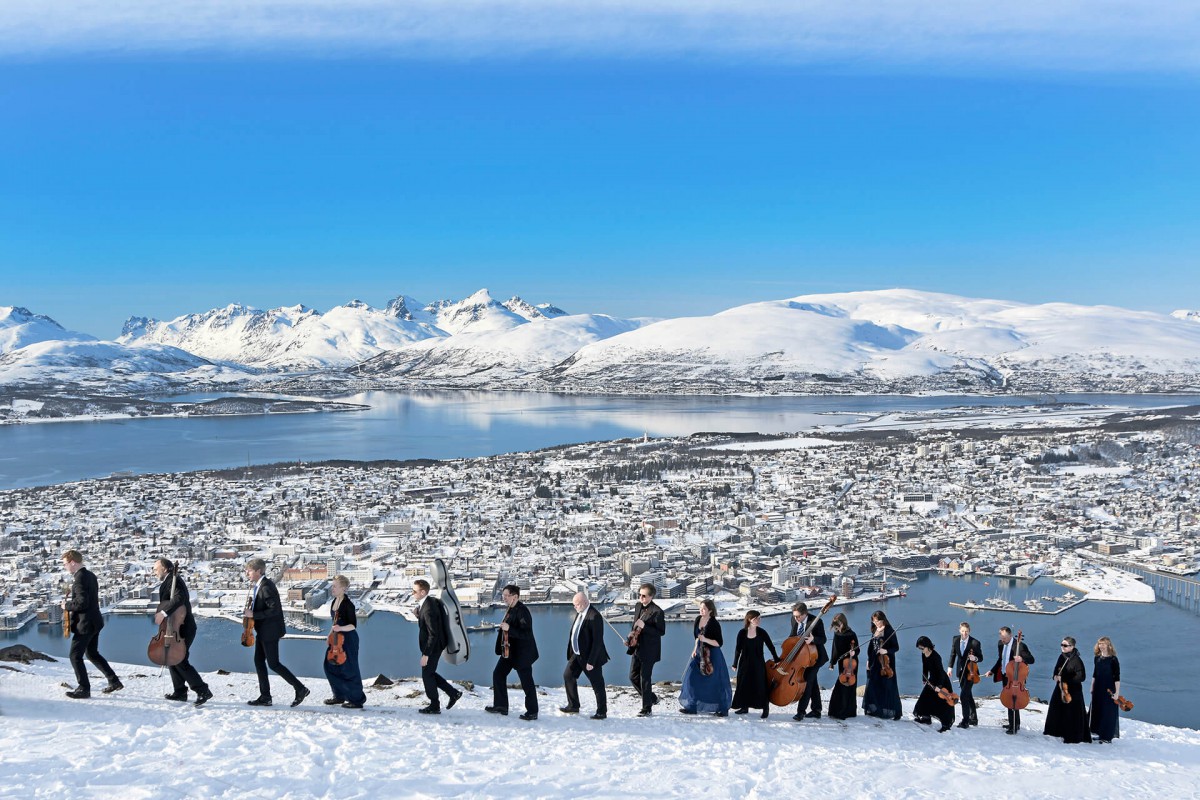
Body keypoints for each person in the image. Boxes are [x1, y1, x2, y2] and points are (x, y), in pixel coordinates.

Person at [244, 558, 309, 708]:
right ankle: (265, 696)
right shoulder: (260, 585)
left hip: (270, 631)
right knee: (259, 662)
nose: (247, 572)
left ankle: (300, 688)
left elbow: (273, 610)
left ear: (259, 571)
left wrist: (252, 614)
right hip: (264, 630)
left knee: (273, 664)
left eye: (250, 570)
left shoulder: (266, 587)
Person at [61, 550, 122, 699]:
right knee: (92, 653)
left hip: (85, 625)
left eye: (65, 564)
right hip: (95, 621)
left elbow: (82, 603)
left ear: (72, 562)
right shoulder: (90, 575)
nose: (65, 567)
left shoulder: (79, 579)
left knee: (75, 656)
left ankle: (84, 688)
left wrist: (66, 605)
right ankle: (114, 681)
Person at [153, 558, 213, 707]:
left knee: (179, 659)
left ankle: (202, 690)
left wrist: (164, 613)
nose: (154, 572)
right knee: (171, 658)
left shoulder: (175, 580)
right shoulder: (170, 580)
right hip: (174, 627)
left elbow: (180, 598)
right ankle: (180, 692)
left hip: (183, 628)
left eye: (156, 569)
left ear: (165, 569)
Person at [486, 584, 540, 721]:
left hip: (522, 654)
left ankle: (533, 712)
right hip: (509, 651)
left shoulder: (523, 611)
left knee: (527, 683)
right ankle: (501, 705)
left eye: (506, 596)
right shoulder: (511, 608)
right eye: (503, 595)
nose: (503, 598)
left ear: (515, 596)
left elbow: (526, 633)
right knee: (498, 674)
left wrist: (509, 628)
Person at [413, 578, 462, 714]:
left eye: (414, 591)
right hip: (436, 644)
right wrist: (418, 615)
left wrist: (426, 654)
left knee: (427, 675)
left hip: (433, 646)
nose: (412, 593)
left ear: (422, 592)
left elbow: (433, 634)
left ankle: (435, 705)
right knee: (430, 673)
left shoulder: (428, 608)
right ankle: (453, 693)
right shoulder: (429, 602)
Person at [679, 598, 732, 716]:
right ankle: (692, 706)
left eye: (704, 609)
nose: (701, 611)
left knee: (716, 682)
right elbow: (697, 638)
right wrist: (694, 650)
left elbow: (719, 643)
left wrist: (705, 639)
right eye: (700, 608)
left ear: (710, 611)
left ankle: (722, 709)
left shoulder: (714, 623)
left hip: (712, 655)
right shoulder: (698, 619)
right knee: (691, 678)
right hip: (699, 653)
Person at [561, 591, 609, 719]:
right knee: (568, 676)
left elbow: (597, 641)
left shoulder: (595, 616)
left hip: (590, 657)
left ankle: (601, 711)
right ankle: (573, 705)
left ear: (584, 603)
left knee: (597, 684)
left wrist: (591, 661)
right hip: (577, 655)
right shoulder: (581, 613)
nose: (574, 607)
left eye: (576, 605)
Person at [322, 575, 367, 709]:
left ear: (343, 588)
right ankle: (339, 696)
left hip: (348, 640)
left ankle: (357, 700)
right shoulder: (334, 601)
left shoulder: (348, 605)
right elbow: (334, 623)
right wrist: (329, 636)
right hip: (336, 639)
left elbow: (353, 625)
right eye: (332, 586)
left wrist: (340, 628)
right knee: (329, 666)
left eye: (335, 586)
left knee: (349, 669)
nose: (332, 588)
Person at [984, 626, 1034, 734]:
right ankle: (1014, 723)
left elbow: (1032, 659)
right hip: (1005, 677)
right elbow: (1000, 659)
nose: (1003, 640)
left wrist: (1022, 659)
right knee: (1008, 700)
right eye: (1001, 637)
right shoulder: (1000, 644)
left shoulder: (1019, 646)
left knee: (1013, 701)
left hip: (1015, 678)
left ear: (1011, 636)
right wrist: (992, 670)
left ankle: (1014, 726)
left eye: (1005, 638)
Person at [1044, 635, 1091, 743]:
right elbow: (1056, 670)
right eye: (1062, 645)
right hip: (1060, 687)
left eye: (1065, 645)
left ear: (1072, 646)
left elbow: (1081, 677)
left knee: (1071, 713)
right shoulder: (1061, 657)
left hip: (1073, 690)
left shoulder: (1077, 660)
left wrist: (1065, 678)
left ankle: (1071, 735)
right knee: (1056, 708)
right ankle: (1055, 731)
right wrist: (1055, 676)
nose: (1063, 647)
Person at [628, 583, 666, 717]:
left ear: (651, 596)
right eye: (639, 594)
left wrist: (645, 627)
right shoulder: (638, 606)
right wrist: (630, 637)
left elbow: (661, 632)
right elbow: (635, 625)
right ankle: (652, 698)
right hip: (637, 647)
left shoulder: (658, 611)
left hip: (649, 650)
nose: (641, 597)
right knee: (632, 677)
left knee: (645, 678)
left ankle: (647, 708)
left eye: (644, 596)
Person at [731, 610, 778, 718]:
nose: (758, 620)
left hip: (758, 663)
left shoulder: (762, 632)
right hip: (744, 663)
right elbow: (738, 650)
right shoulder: (742, 633)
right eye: (755, 619)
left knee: (760, 685)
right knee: (744, 684)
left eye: (759, 618)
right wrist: (735, 664)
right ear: (749, 620)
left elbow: (771, 646)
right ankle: (744, 707)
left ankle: (765, 708)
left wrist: (776, 658)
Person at [788, 601, 828, 721]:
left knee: (807, 683)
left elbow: (823, 639)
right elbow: (792, 636)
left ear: (805, 613)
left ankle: (801, 712)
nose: (796, 618)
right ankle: (817, 710)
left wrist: (813, 639)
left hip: (815, 658)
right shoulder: (794, 620)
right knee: (813, 683)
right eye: (794, 616)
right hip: (802, 658)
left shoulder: (816, 621)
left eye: (798, 616)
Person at [862, 610, 901, 720]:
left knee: (887, 686)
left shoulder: (890, 631)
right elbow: (871, 647)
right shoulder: (875, 630)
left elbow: (896, 647)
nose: (875, 623)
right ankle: (875, 709)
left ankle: (887, 711)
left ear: (882, 620)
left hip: (885, 662)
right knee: (872, 684)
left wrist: (886, 651)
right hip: (874, 661)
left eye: (877, 621)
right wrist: (868, 660)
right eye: (873, 621)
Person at [912, 636, 955, 732]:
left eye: (922, 648)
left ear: (927, 646)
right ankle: (926, 718)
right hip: (931, 679)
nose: (921, 650)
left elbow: (940, 672)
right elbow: (925, 667)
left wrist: (939, 686)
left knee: (942, 703)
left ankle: (946, 725)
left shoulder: (936, 657)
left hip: (942, 681)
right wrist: (924, 678)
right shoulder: (924, 655)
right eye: (919, 649)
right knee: (925, 697)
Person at [946, 621, 982, 728]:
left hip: (971, 673)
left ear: (969, 631)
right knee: (968, 695)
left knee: (963, 696)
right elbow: (953, 654)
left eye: (966, 631)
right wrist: (950, 667)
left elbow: (980, 657)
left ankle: (965, 721)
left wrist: (974, 658)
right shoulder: (955, 639)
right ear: (959, 630)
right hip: (960, 672)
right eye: (962, 631)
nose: (964, 633)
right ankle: (974, 718)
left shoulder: (975, 643)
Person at [826, 612, 858, 720]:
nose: (837, 628)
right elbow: (835, 650)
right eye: (835, 626)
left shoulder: (851, 634)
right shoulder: (837, 634)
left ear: (843, 623)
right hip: (842, 663)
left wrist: (854, 653)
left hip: (851, 663)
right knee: (842, 685)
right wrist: (832, 662)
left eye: (838, 625)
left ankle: (847, 711)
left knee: (848, 687)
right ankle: (838, 710)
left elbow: (857, 649)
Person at [1089, 637, 1121, 743]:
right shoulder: (1097, 658)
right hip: (1098, 687)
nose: (1101, 646)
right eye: (1099, 644)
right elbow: (1095, 673)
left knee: (1108, 712)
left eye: (1103, 644)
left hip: (1109, 688)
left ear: (1108, 645)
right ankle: (1099, 733)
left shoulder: (1113, 659)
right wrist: (1092, 686)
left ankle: (1107, 737)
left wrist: (1117, 693)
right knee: (1098, 710)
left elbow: (1117, 677)